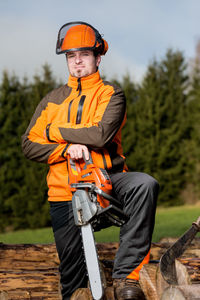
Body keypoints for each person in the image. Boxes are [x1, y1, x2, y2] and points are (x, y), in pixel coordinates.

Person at [22, 21, 159, 300]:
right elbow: (28, 144)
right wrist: (64, 150)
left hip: (107, 181)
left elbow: (100, 135)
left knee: (143, 185)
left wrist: (54, 132)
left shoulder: (111, 94)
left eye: (84, 54)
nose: (77, 62)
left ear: (98, 57)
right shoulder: (51, 101)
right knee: (73, 277)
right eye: (71, 56)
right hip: (64, 191)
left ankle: (127, 278)